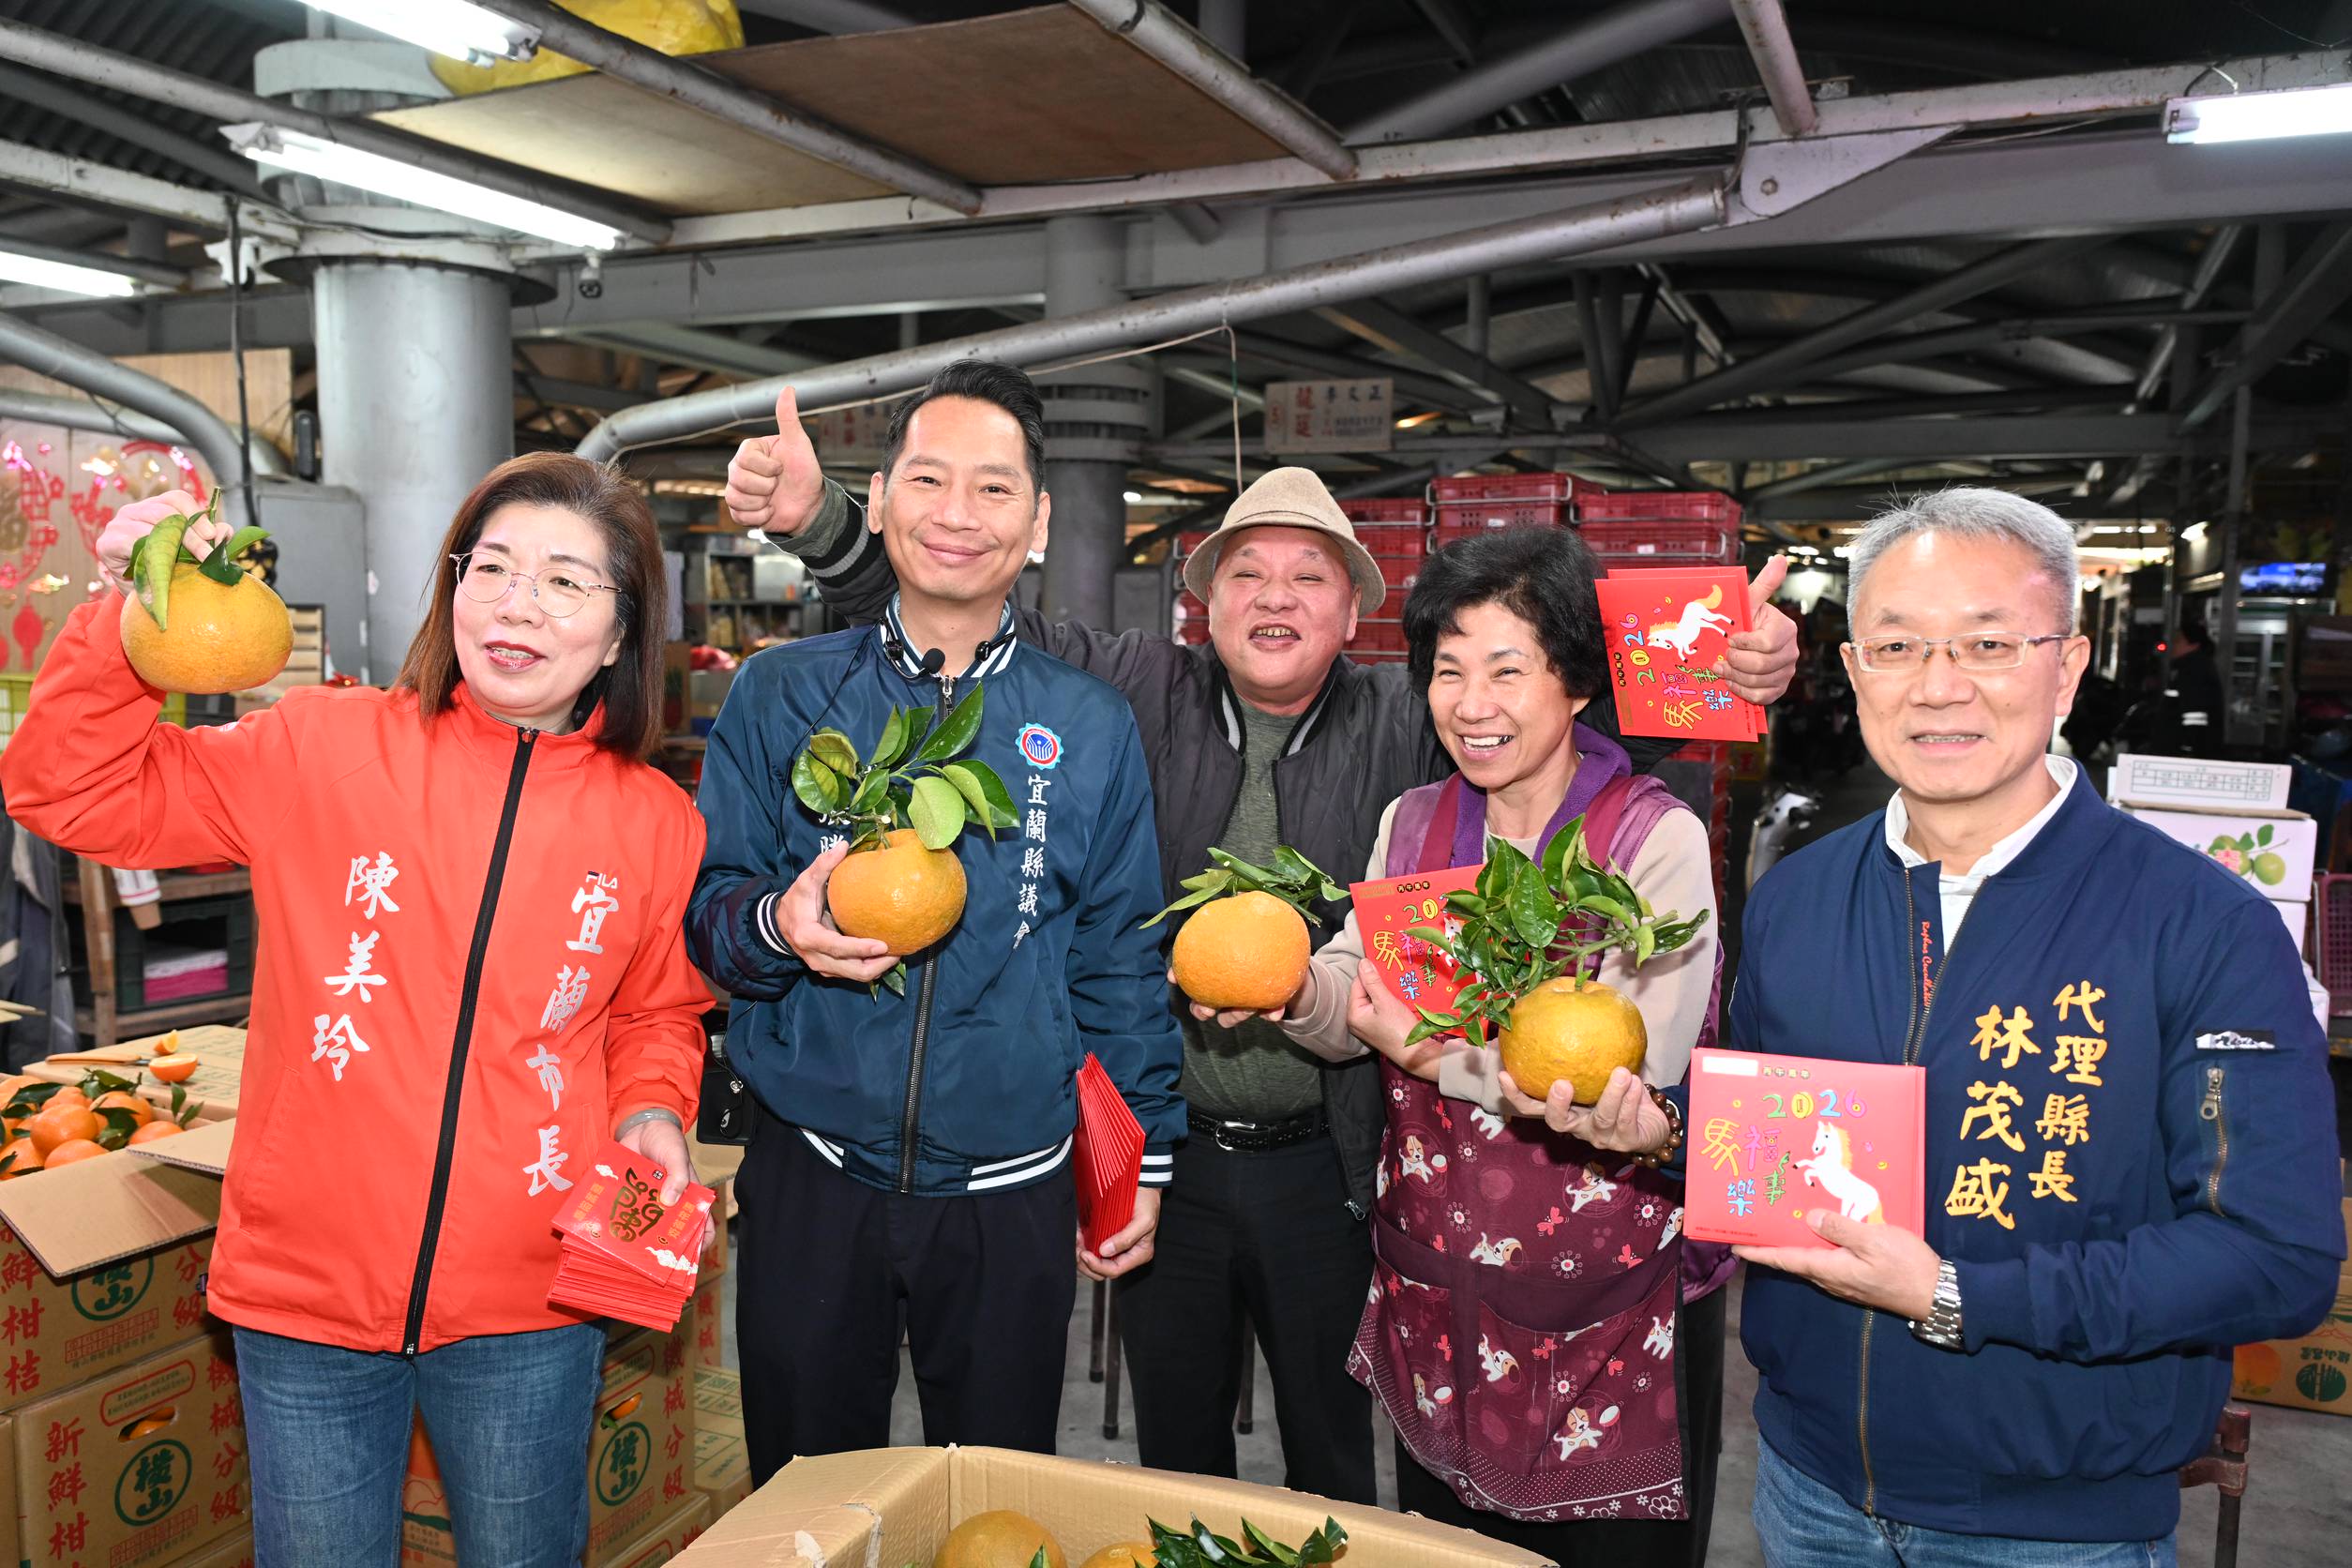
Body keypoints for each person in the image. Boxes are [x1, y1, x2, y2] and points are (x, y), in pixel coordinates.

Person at [726, 374, 1798, 1506]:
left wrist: (1719, 676)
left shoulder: (1416, 719)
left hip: (1331, 1169)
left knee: (1331, 1463)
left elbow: (1539, 698)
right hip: (1174, 1160)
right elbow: (967, 599)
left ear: (1353, 614)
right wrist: (830, 526)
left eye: (1309, 578)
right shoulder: (1136, 688)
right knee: (1172, 1463)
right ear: (1203, 605)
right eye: (1246, 573)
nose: (1274, 598)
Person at [1, 456, 713, 1568]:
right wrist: (127, 618)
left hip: (531, 1291)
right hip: (308, 1287)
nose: (519, 601)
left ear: (623, 637)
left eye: (568, 580)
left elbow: (654, 1012)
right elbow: (71, 789)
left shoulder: (657, 821)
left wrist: (654, 1109)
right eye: (494, 566)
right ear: (452, 586)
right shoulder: (319, 747)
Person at [1718, 489, 2341, 1564]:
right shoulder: (1798, 895)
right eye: (1899, 645)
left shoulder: (2202, 924)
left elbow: (2276, 1257)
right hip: (1808, 1488)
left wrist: (1959, 1295)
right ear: (1854, 670)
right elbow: (1777, 1147)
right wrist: (1646, 1123)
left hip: (2053, 1526)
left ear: (2069, 664)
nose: (1940, 685)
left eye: (1990, 643)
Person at [686, 361, 1183, 1479]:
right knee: (808, 1500)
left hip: (1013, 1191)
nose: (959, 516)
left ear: (1042, 521)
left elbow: (1118, 961)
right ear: (880, 499)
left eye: (996, 489)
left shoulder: (1088, 724)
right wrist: (779, 928)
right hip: (815, 1172)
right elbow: (705, 920)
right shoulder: (784, 694)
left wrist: (1135, 1166)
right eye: (931, 479)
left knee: (992, 1506)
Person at [1259, 526, 1726, 1562]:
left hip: (1606, 1313)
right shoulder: (1413, 823)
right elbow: (1355, 994)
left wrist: (1432, 1057)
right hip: (1442, 1298)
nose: (1472, 704)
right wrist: (1292, 986)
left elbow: (1626, 1072)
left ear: (1576, 685)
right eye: (1448, 669)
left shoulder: (1651, 840)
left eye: (1508, 670)